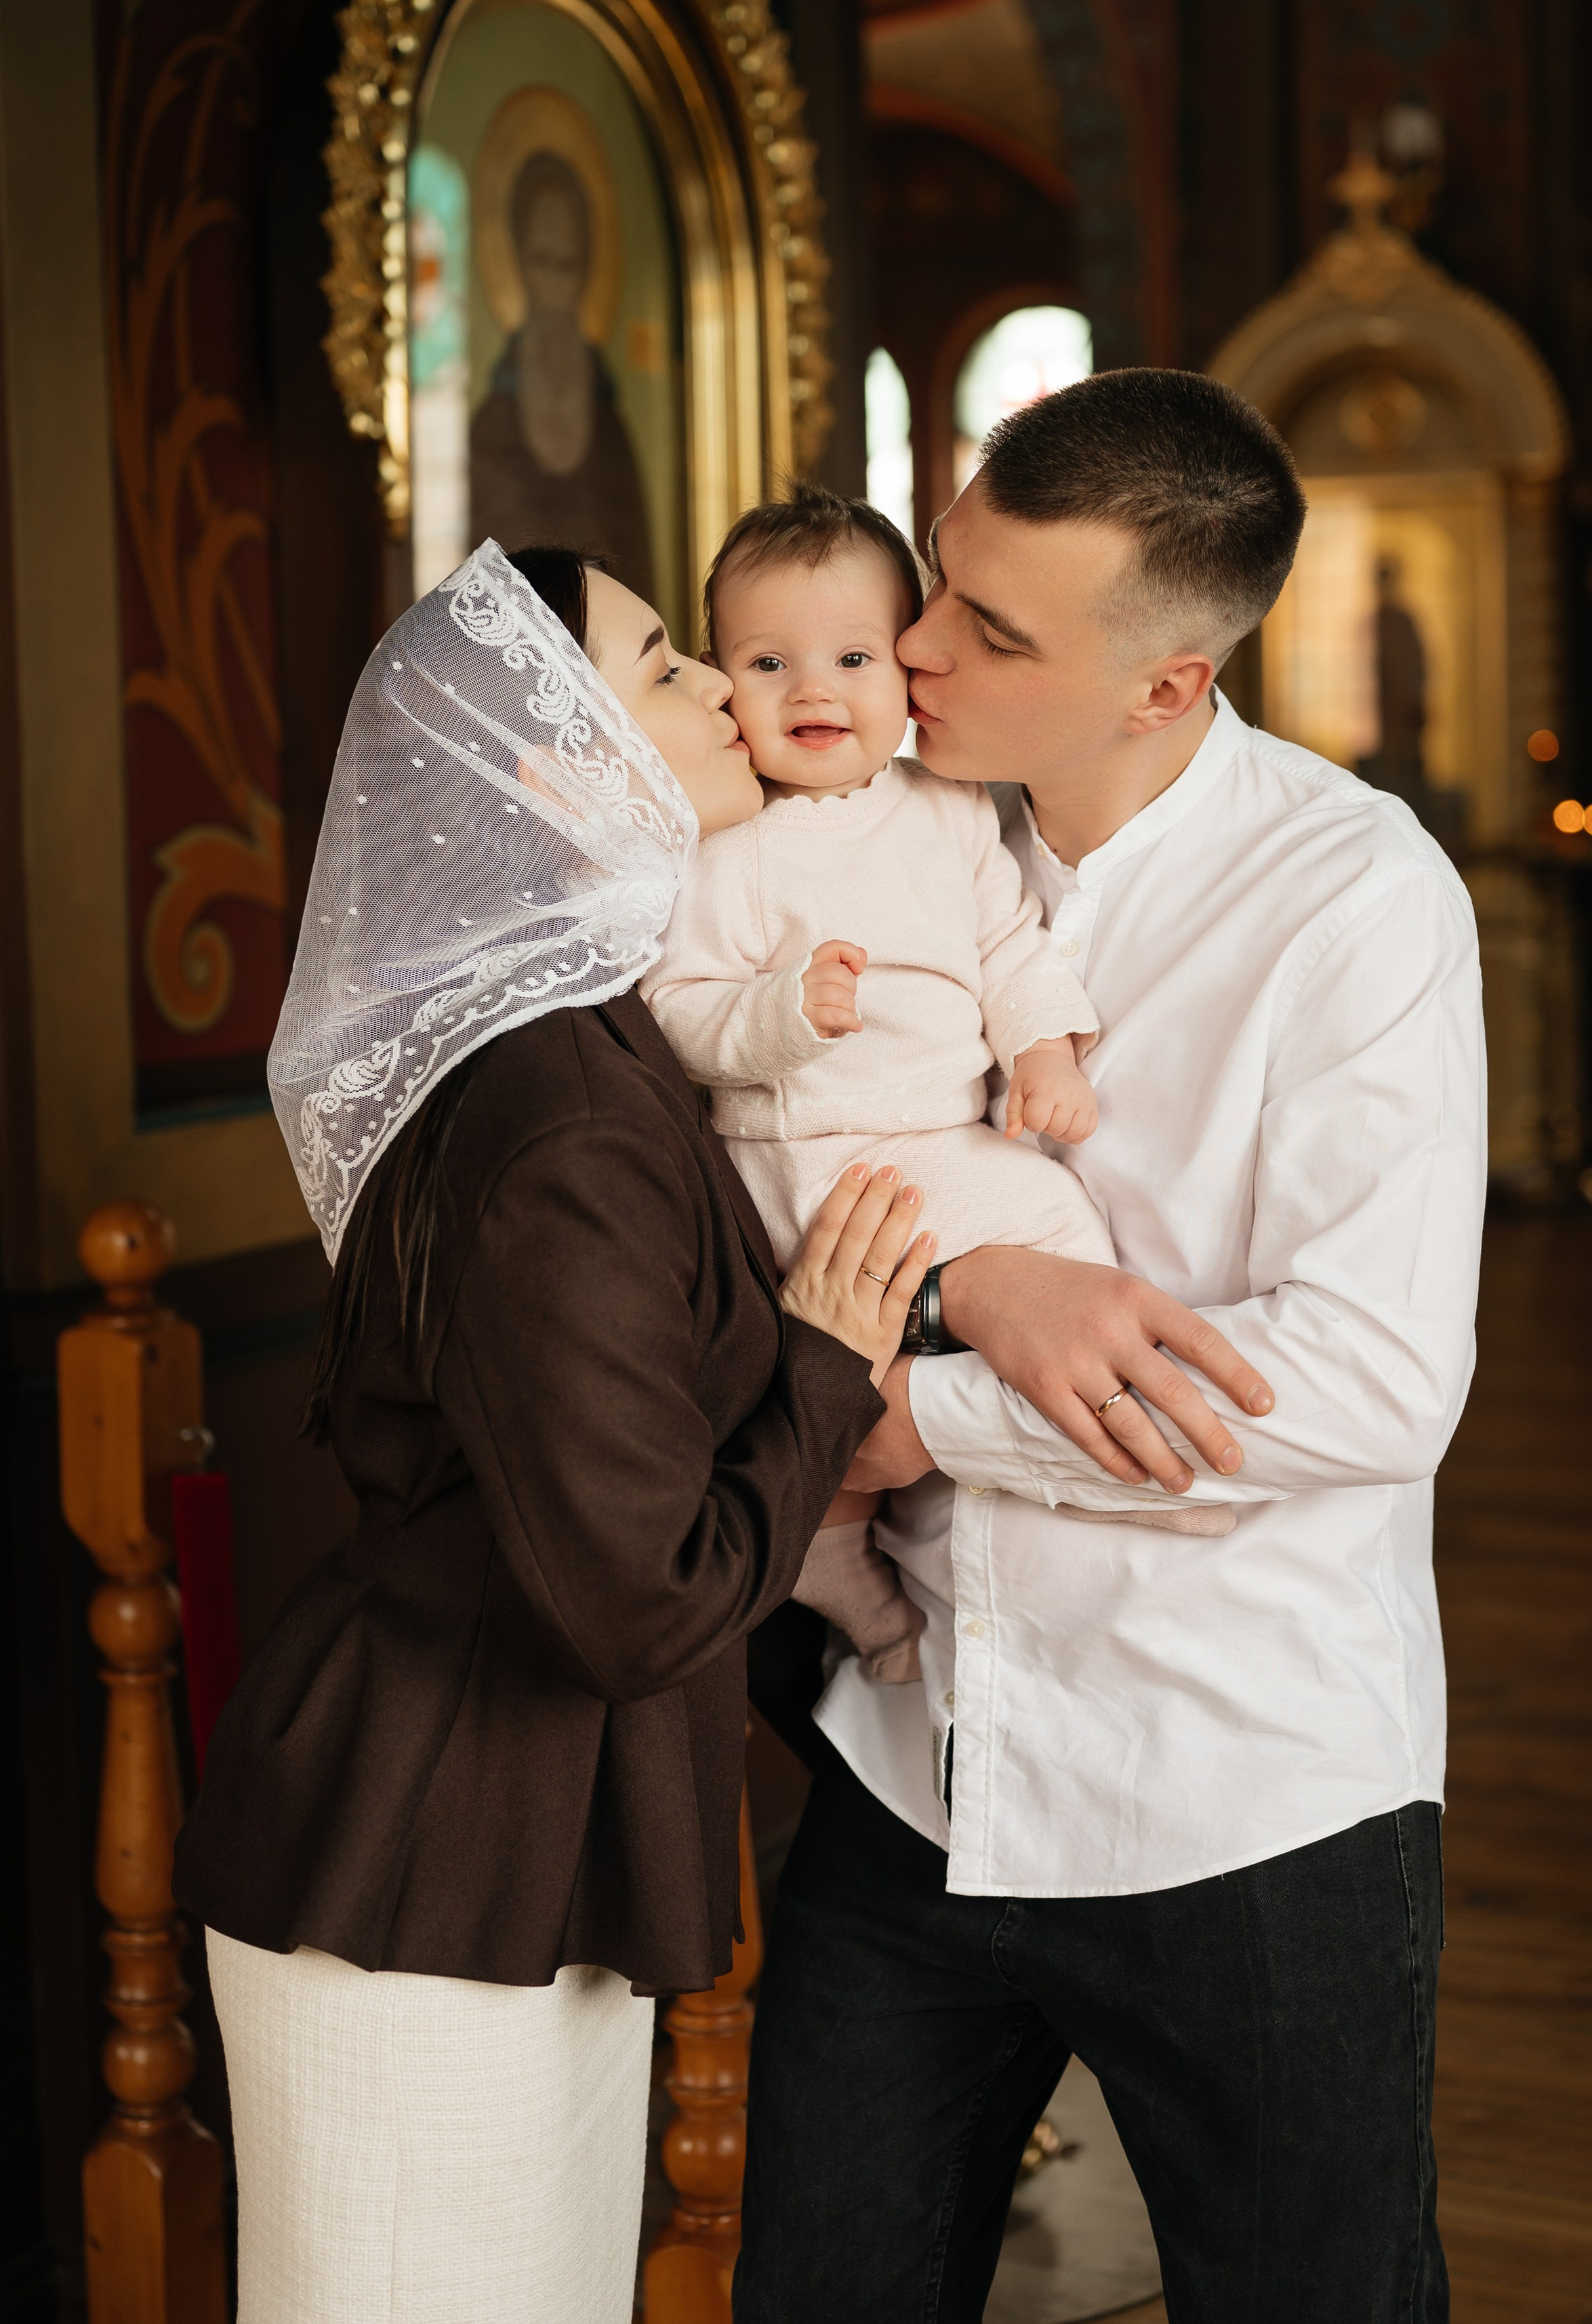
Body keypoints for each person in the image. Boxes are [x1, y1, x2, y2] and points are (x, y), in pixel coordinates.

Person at [735, 370, 1483, 2324]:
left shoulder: (1356, 898)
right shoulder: (839, 819)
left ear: (1166, 683)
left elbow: (1374, 1379)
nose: (911, 646)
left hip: (1239, 1797)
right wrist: (973, 1293)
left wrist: (927, 1419)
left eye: (989, 630)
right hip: (918, 1768)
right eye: (939, 580)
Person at [172, 538, 933, 2324]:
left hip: (506, 1840)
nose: (725, 692)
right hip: (431, 1860)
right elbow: (634, 1602)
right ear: (551, 763)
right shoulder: (559, 1111)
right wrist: (828, 1361)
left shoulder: (569, 1038)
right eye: (668, 664)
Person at [648, 487, 1231, 1684]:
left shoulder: (952, 807)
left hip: (945, 1136)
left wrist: (1043, 1052)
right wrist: (778, 1013)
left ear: (906, 667)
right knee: (826, 1354)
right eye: (770, 662)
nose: (815, 691)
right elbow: (679, 1010)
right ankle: (829, 1537)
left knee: (1069, 1233)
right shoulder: (725, 840)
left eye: (854, 656)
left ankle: (1120, 1461)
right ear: (722, 681)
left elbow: (1011, 944)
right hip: (804, 1151)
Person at [469, 150, 656, 596]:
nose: (554, 285)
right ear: (517, 260)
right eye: (541, 261)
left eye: (568, 265)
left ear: (588, 266)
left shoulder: (610, 432)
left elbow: (643, 579)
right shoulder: (492, 426)